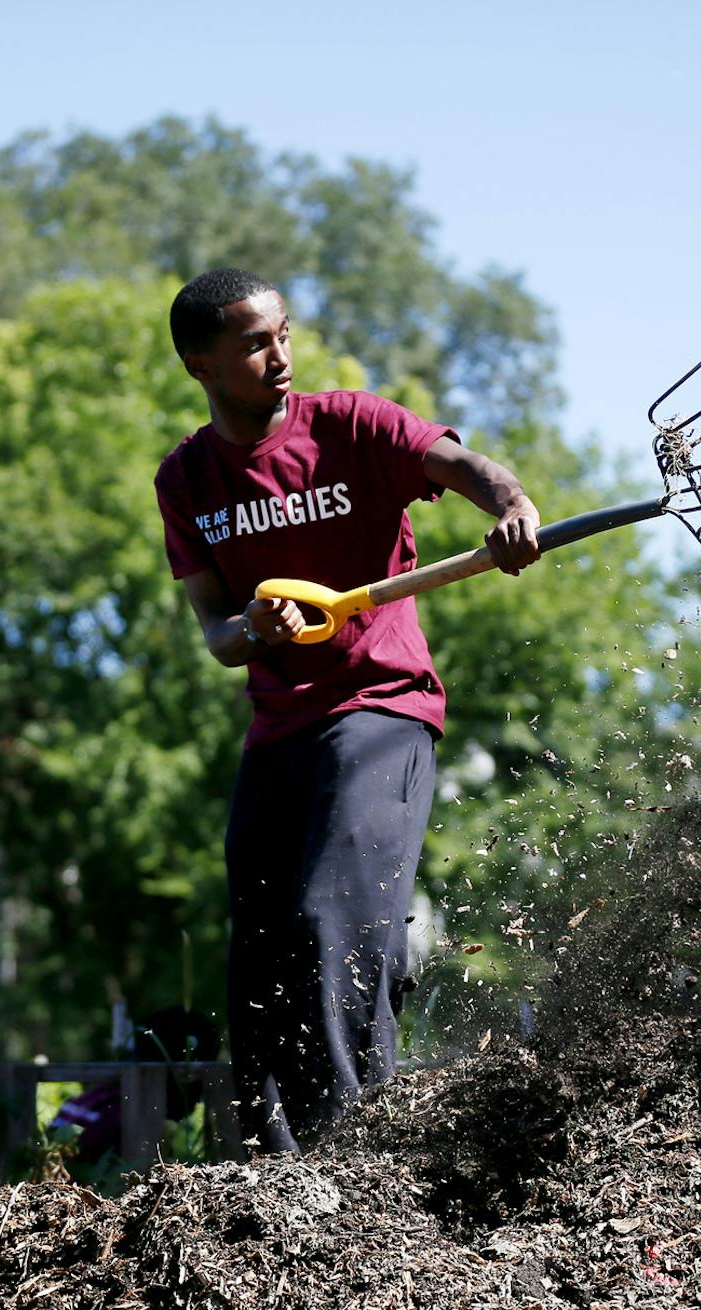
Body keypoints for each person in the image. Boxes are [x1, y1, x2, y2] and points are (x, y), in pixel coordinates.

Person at [155, 268, 541, 1153]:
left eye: (283, 333)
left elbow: (465, 466)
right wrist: (252, 627)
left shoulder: (352, 425)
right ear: (198, 364)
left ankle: (352, 1156)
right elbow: (214, 633)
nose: (280, 355)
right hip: (279, 726)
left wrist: (513, 507)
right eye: (254, 343)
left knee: (336, 922)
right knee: (261, 949)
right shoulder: (187, 478)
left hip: (379, 709)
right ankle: (267, 1170)